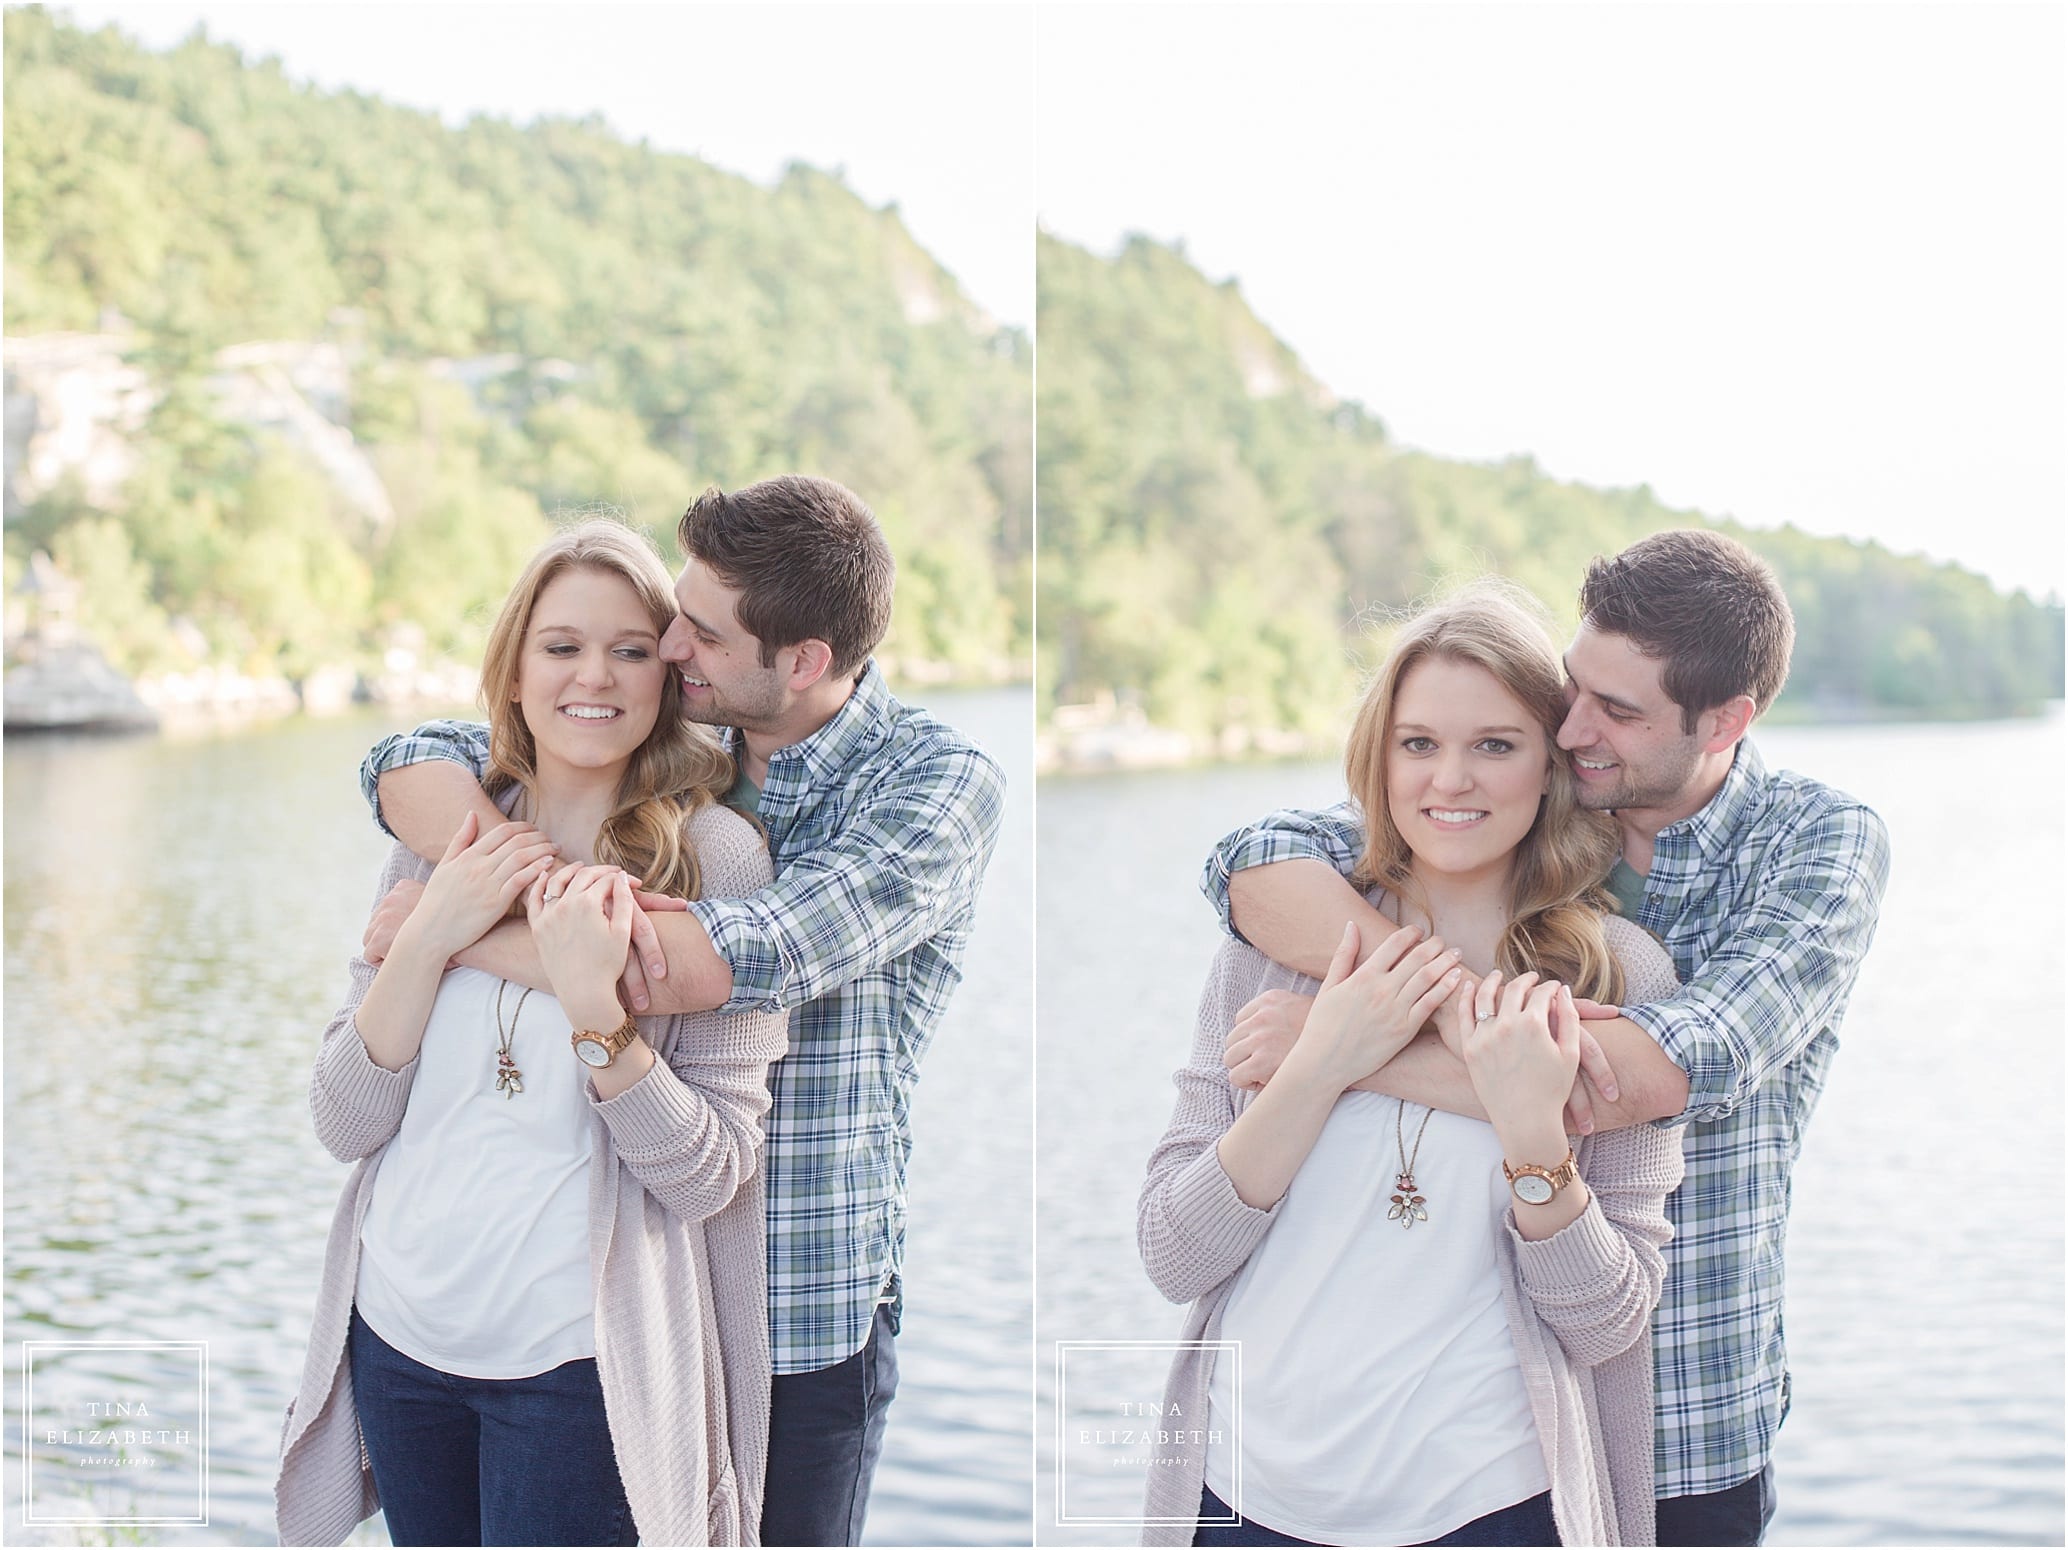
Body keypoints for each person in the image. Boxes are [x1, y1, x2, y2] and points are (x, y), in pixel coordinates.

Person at [351, 475, 1006, 1547]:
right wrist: (456, 871)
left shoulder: (929, 788)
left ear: (800, 661)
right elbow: (409, 756)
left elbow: (709, 960)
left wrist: (444, 930)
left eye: (697, 630)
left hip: (791, 1302)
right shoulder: (685, 751)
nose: (666, 646)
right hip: (631, 1299)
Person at [1202, 530, 1892, 1547]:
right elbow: (1254, 865)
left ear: (1726, 721)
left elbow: (1645, 1072)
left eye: (1618, 709)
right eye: (1574, 689)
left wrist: (1343, 1046)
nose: (1574, 727)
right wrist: (1430, 1018)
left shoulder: (1817, 843)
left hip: (1683, 1415)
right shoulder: (1554, 796)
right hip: (1500, 1432)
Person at [274, 520, 789, 1546]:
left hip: (577, 1368)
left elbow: (708, 1173)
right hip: (399, 1340)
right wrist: (431, 936)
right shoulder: (445, 835)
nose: (592, 674)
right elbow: (344, 1116)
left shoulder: (716, 861)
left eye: (629, 648)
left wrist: (598, 1012)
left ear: (666, 675)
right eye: (560, 645)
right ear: (513, 669)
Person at [1142, 581, 1684, 1547]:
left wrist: (1529, 1132)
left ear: (1550, 766)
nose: (1451, 781)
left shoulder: (1615, 977)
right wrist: (1321, 1064)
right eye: (1420, 744)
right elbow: (1175, 1253)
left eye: (1495, 745)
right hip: (1239, 1502)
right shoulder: (1274, 943)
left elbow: (1609, 1321)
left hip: (1486, 1507)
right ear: (1379, 758)